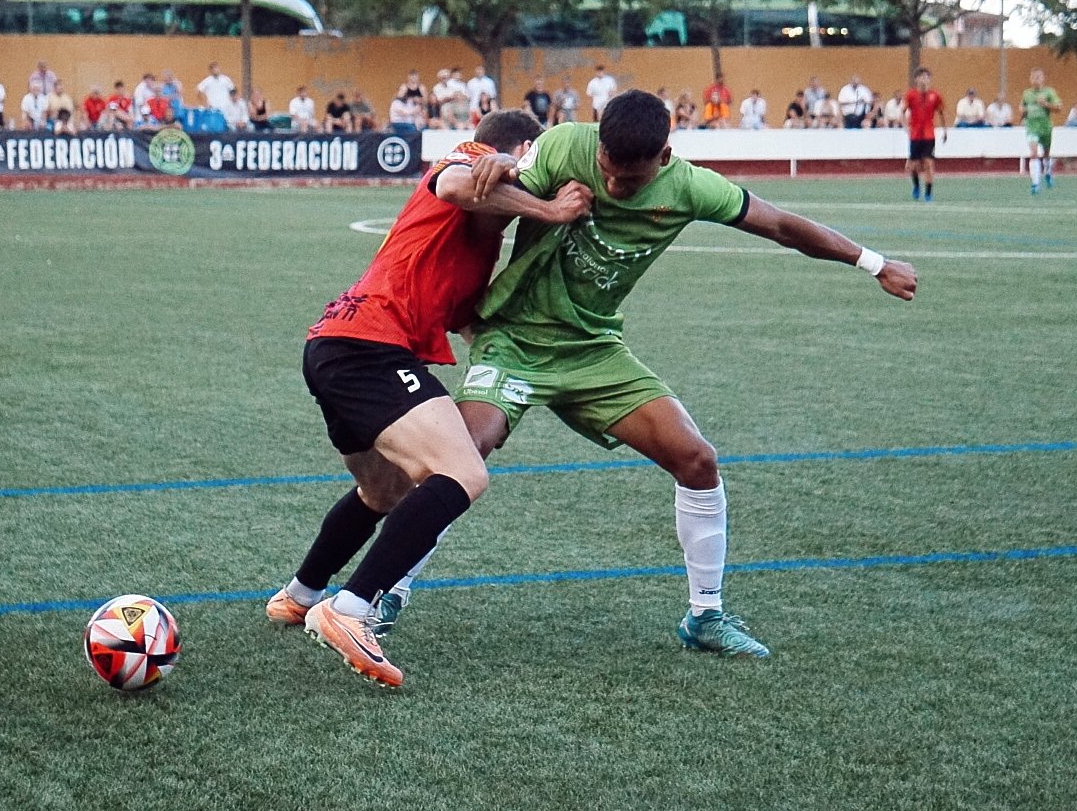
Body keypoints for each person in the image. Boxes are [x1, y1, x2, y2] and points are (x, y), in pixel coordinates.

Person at [333, 90, 918, 680]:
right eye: (606, 171)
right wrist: (504, 170)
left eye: (628, 181)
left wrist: (872, 262)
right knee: (458, 456)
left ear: (665, 154)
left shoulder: (693, 187)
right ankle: (386, 592)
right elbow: (489, 196)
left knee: (696, 459)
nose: (612, 187)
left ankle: (706, 614)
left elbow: (782, 225)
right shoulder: (565, 145)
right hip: (514, 340)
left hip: (594, 350)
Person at [265, 110, 593, 688]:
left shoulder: (476, 243)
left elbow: (467, 320)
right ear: (520, 148)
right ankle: (350, 610)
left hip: (336, 345)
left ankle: (298, 596)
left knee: (383, 489)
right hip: (367, 346)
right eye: (534, 162)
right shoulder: (467, 159)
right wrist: (551, 209)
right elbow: (458, 182)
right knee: (463, 472)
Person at [902, 67, 948, 203]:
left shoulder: (935, 95)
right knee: (913, 166)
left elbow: (942, 112)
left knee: (928, 163)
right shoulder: (911, 95)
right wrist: (906, 126)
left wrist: (945, 130)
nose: (924, 79)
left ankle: (928, 193)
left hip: (929, 135)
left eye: (927, 77)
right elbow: (902, 111)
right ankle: (916, 185)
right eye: (922, 77)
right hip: (915, 135)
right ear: (916, 79)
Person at [1021, 68, 1063, 195]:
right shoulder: (1027, 93)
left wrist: (1046, 104)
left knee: (1046, 153)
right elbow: (1023, 106)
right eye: (1033, 77)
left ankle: (1048, 172)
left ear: (1043, 79)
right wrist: (1022, 111)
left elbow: (1059, 107)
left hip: (1045, 127)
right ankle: (1035, 184)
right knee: (1033, 153)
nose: (1035, 80)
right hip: (1032, 127)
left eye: (1038, 77)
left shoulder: (1049, 92)